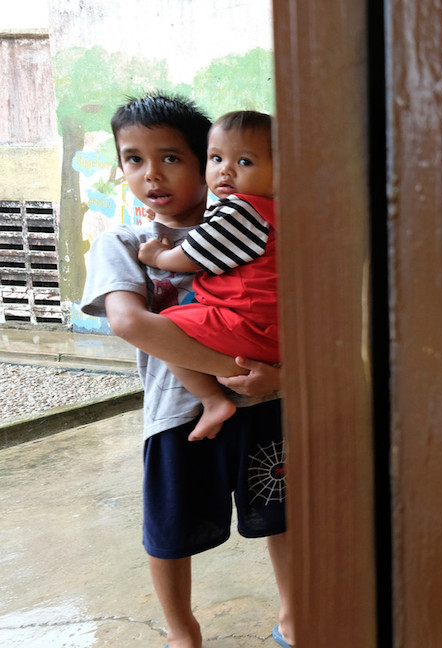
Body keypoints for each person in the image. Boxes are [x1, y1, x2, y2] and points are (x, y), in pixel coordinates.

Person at [80, 93, 294, 648]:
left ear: (209, 161)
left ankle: (295, 618)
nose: (151, 174)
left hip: (268, 404)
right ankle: (183, 633)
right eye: (133, 159)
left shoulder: (258, 232)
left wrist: (281, 381)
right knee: (170, 531)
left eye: (171, 158)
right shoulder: (125, 243)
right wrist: (239, 374)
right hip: (178, 413)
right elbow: (129, 320)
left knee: (284, 518)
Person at [137, 110, 278, 441]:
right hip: (272, 329)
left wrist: (158, 255)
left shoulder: (243, 210)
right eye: (216, 158)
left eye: (244, 162)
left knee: (165, 330)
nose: (225, 170)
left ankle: (213, 401)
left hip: (247, 323)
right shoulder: (280, 213)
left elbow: (193, 255)